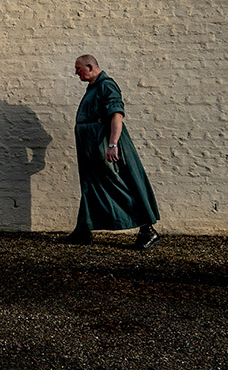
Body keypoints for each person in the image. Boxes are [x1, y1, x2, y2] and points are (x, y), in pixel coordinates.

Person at [63, 55, 161, 249]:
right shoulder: (94, 86)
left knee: (118, 185)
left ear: (90, 67)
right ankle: (83, 231)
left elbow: (116, 115)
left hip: (104, 145)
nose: (76, 72)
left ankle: (148, 230)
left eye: (78, 68)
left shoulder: (107, 85)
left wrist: (112, 144)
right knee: (90, 186)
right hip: (92, 147)